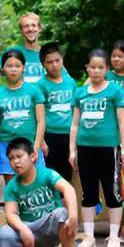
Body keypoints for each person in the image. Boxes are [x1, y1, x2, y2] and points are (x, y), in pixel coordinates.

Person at [0, 138, 81, 247]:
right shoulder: (11, 186)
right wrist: (23, 230)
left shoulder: (46, 174)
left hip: (51, 226)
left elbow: (68, 189)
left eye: (19, 156)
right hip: (30, 228)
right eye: (11, 158)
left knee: (61, 213)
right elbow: (10, 214)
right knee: (1, 236)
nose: (15, 162)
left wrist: (74, 215)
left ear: (33, 156)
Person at [69, 49, 124, 247]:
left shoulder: (114, 91)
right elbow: (75, 124)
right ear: (87, 68)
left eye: (100, 67)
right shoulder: (80, 93)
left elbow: (122, 122)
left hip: (108, 148)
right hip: (85, 149)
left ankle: (113, 237)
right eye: (92, 67)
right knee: (88, 194)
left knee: (112, 191)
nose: (96, 71)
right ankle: (89, 237)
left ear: (107, 69)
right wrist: (72, 150)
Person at [0, 50, 46, 183]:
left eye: (17, 66)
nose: (13, 69)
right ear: (3, 68)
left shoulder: (34, 91)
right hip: (6, 145)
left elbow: (41, 122)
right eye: (9, 66)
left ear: (23, 67)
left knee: (36, 183)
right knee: (12, 186)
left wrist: (36, 146)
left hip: (30, 144)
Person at [37, 42, 78, 182]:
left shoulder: (70, 82)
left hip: (69, 135)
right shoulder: (40, 85)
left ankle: (66, 203)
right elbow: (37, 117)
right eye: (49, 62)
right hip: (50, 135)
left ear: (62, 60)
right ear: (43, 64)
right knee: (52, 174)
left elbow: (76, 110)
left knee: (68, 174)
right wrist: (41, 141)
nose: (54, 65)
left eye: (57, 60)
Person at [0, 12, 46, 89]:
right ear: (21, 31)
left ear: (39, 29)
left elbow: (62, 79)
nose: (30, 29)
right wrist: (0, 97)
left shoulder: (48, 54)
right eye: (26, 26)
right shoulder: (13, 52)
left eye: (33, 25)